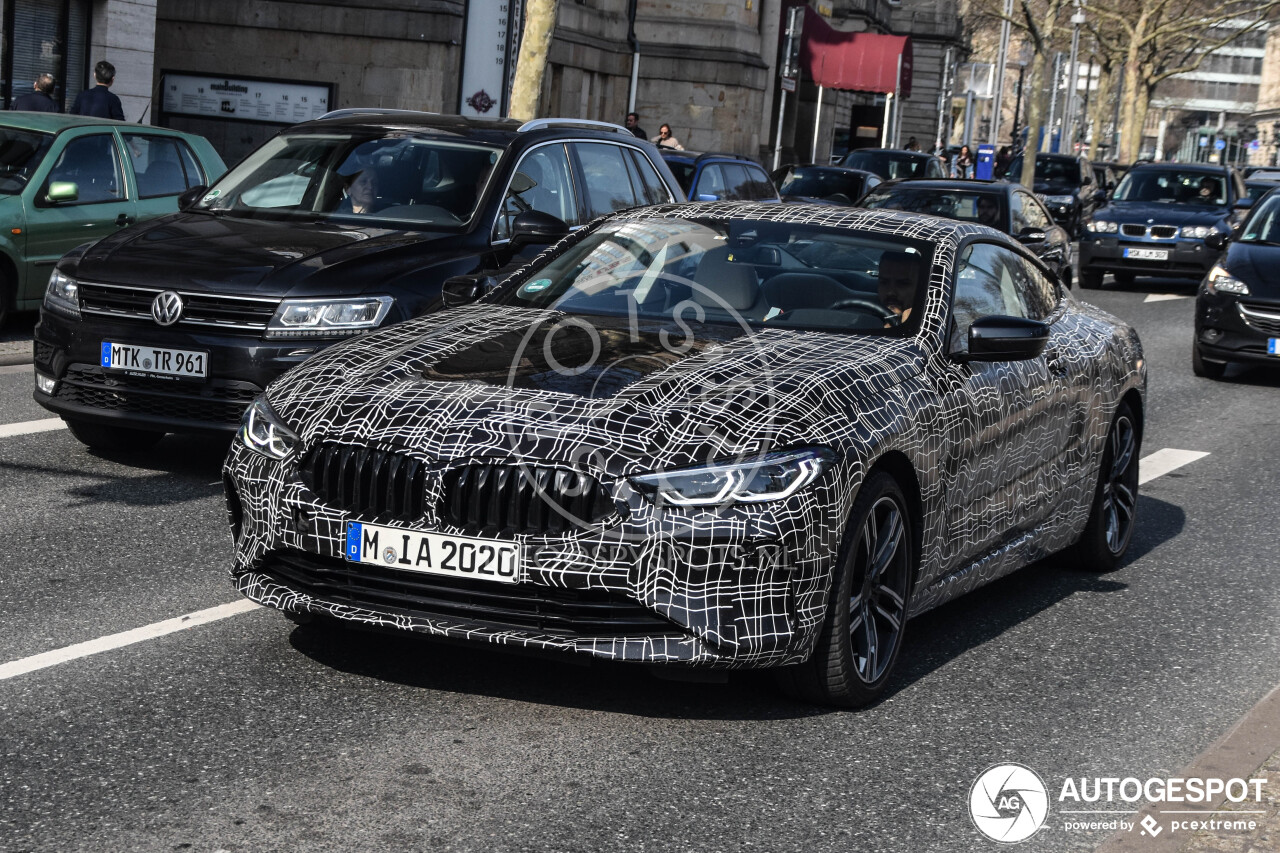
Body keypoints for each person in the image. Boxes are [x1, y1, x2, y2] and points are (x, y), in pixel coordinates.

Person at [877, 251, 921, 326]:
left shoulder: (928, 326)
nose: (890, 292)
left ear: (920, 287)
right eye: (884, 282)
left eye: (902, 284)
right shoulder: (865, 320)